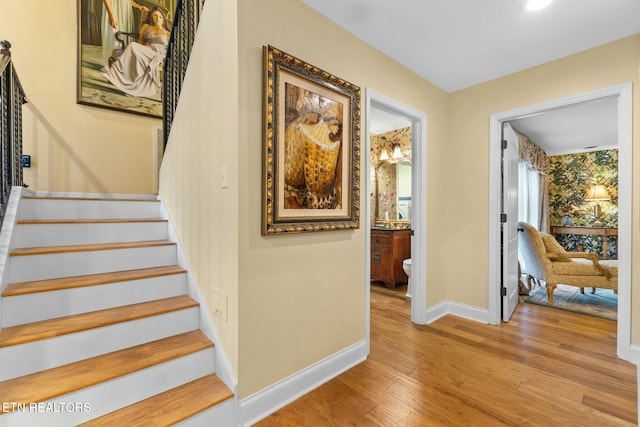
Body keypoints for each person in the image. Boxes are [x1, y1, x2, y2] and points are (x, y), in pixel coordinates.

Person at [104, 7, 170, 98]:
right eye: (155, 16)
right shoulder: (146, 27)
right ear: (151, 17)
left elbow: (169, 50)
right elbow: (140, 42)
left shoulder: (167, 33)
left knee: (132, 45)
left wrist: (163, 61)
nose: (158, 19)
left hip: (157, 55)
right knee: (133, 47)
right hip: (144, 51)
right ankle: (126, 82)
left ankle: (112, 73)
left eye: (160, 17)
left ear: (163, 19)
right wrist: (143, 49)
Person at [102, 0, 149, 70]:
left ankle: (120, 64)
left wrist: (139, 6)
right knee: (113, 35)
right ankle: (112, 65)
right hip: (113, 10)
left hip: (124, 12)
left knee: (122, 37)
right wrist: (111, 15)